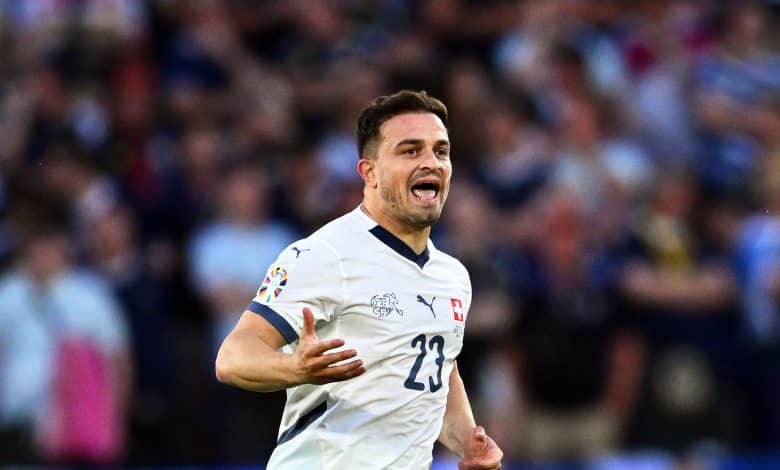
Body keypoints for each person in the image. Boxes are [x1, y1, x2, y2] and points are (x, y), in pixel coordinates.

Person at [215, 90, 503, 469]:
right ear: (369, 172)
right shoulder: (325, 254)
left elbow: (439, 372)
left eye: (440, 151)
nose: (430, 162)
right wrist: (294, 369)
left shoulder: (452, 276)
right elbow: (233, 357)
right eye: (410, 151)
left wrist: (468, 443)